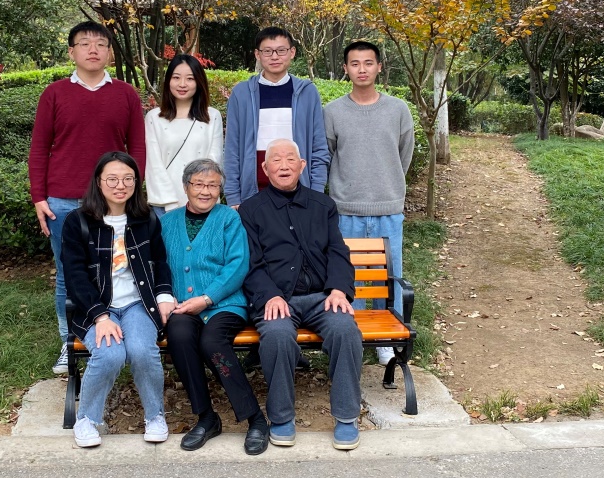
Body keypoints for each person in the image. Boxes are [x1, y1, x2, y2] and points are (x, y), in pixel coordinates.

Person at [29, 21, 147, 375]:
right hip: (64, 200)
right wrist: (39, 197)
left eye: (100, 43)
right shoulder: (54, 94)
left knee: (117, 267)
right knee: (68, 273)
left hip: (114, 199)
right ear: (72, 51)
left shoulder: (126, 94)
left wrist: (131, 190)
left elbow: (137, 146)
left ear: (110, 52)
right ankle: (70, 342)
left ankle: (120, 333)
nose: (93, 49)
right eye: (84, 43)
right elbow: (39, 149)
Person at [240, 138, 363, 451]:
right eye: (276, 160)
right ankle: (281, 417)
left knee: (345, 329)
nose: (283, 165)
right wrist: (269, 295)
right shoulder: (252, 210)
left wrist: (338, 289)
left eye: (290, 159)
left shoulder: (323, 205)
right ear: (265, 168)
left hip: (322, 296)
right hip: (278, 299)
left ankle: (347, 417)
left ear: (302, 165)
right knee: (277, 335)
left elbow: (338, 251)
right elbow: (250, 263)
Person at [61, 152, 175, 448]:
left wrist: (164, 295)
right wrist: (100, 316)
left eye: (128, 179)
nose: (120, 185)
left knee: (141, 351)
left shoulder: (146, 219)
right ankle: (87, 419)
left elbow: (160, 262)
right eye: (112, 179)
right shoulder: (78, 221)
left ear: (136, 182)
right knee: (110, 354)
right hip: (97, 307)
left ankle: (155, 416)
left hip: (138, 304)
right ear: (98, 182)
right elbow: (74, 276)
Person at [161, 158, 269, 454]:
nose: (205, 191)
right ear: (186, 187)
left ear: (220, 190)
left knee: (212, 342)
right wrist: (167, 297)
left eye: (212, 185)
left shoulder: (229, 219)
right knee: (179, 335)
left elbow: (238, 264)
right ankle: (207, 417)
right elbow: (158, 266)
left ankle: (256, 419)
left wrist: (207, 298)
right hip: (182, 306)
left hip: (225, 304)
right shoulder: (167, 222)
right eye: (199, 184)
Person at [323, 40, 414, 363]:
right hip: (346, 210)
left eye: (368, 63)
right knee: (352, 276)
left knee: (390, 276)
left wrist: (387, 186)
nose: (362, 69)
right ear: (345, 69)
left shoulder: (398, 110)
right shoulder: (332, 112)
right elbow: (328, 156)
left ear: (379, 67)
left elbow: (404, 155)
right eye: (355, 63)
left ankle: (388, 342)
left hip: (388, 209)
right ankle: (355, 338)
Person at [223, 26, 329, 207]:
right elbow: (232, 149)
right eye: (267, 51)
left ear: (292, 52)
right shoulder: (242, 93)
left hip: (299, 194)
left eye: (281, 50)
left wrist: (316, 193)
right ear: (257, 54)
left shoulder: (307, 92)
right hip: (253, 194)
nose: (274, 56)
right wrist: (233, 196)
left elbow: (318, 148)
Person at [145, 53, 224, 215]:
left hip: (204, 201)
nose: (182, 84)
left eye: (190, 78)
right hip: (164, 204)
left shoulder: (212, 116)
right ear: (168, 80)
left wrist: (201, 196)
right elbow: (154, 164)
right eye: (176, 78)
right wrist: (170, 204)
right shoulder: (154, 117)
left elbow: (214, 160)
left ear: (199, 81)